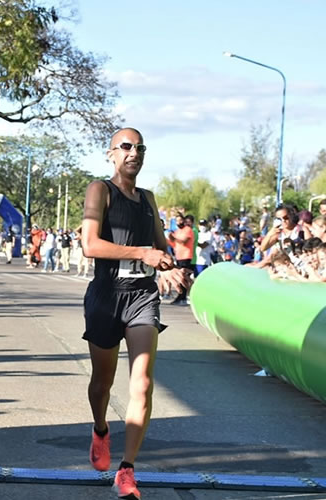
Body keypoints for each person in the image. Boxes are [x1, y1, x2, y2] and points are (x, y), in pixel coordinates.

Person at [80, 128, 191, 500]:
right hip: (106, 295)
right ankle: (100, 429)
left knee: (142, 382)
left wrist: (169, 265)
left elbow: (160, 245)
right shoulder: (100, 190)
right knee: (102, 384)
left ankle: (127, 470)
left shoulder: (148, 198)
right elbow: (89, 245)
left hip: (142, 297)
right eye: (125, 146)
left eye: (140, 147)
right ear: (111, 153)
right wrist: (142, 253)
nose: (134, 152)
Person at [168, 213, 194, 305]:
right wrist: (169, 239)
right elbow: (174, 244)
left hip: (186, 256)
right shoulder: (177, 231)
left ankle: (183, 298)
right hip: (179, 256)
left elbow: (184, 241)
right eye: (177, 221)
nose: (179, 222)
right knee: (179, 277)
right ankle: (180, 297)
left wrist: (174, 238)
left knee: (183, 277)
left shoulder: (188, 230)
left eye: (180, 220)